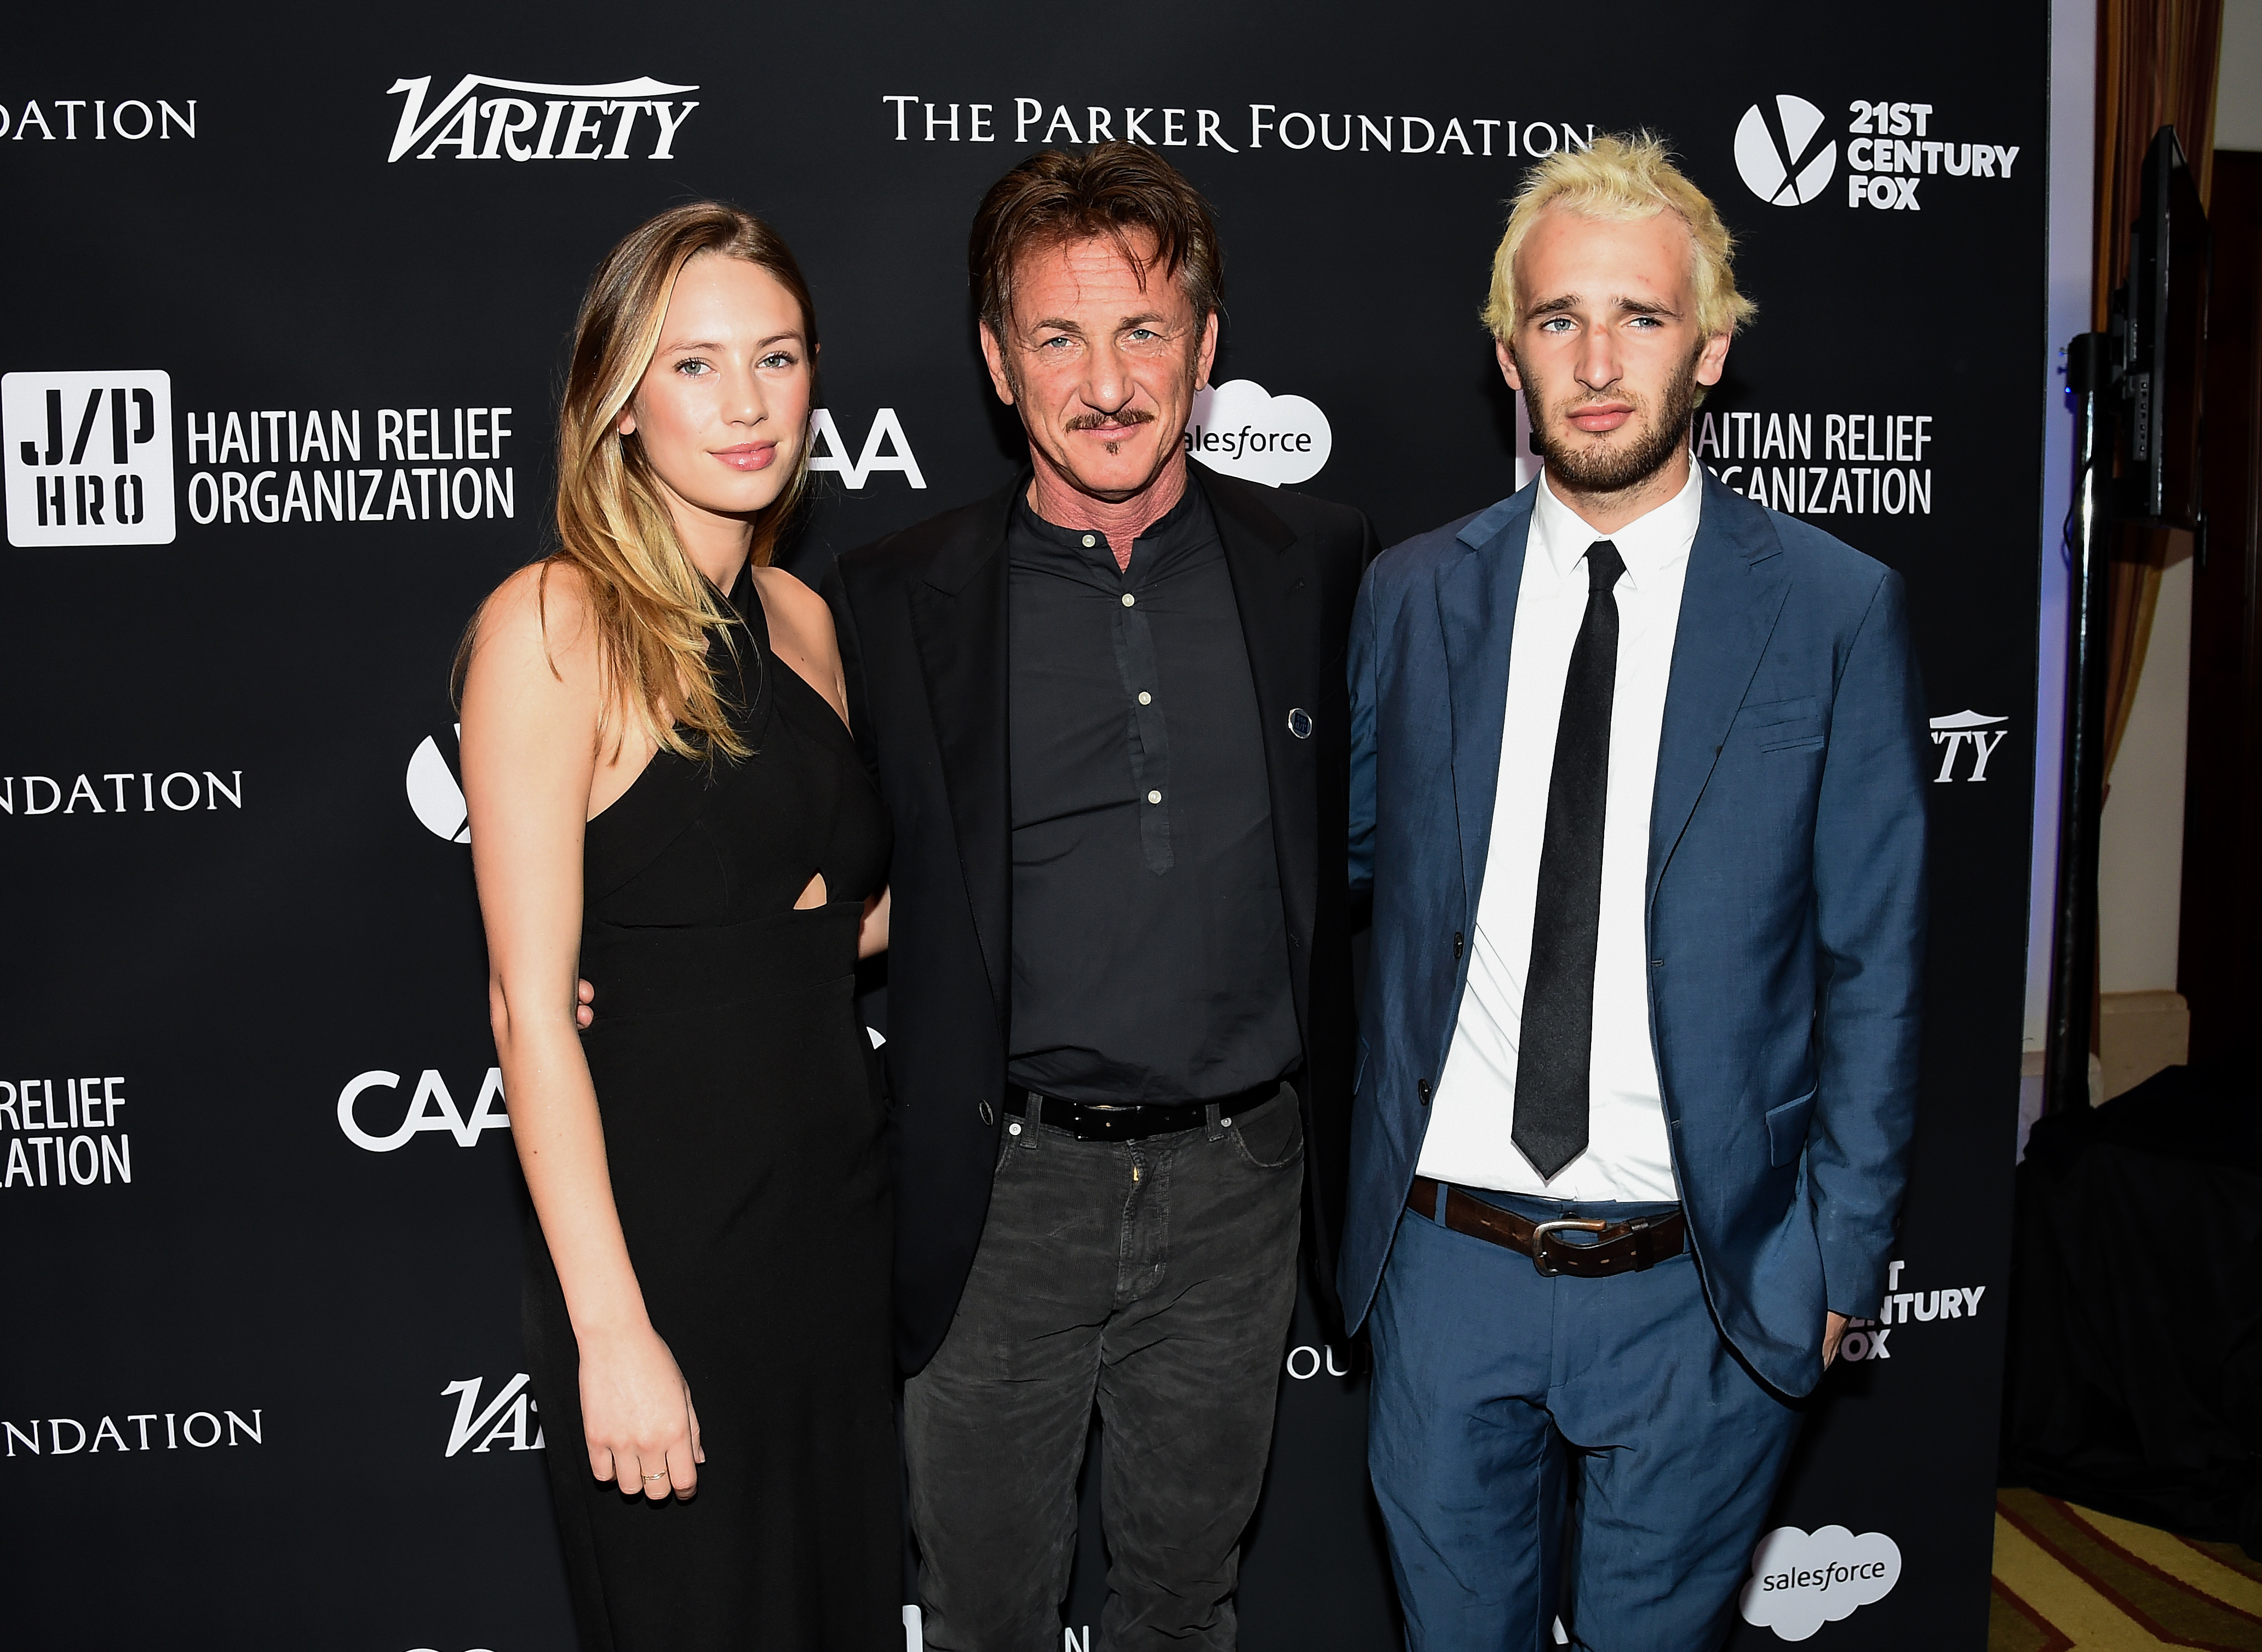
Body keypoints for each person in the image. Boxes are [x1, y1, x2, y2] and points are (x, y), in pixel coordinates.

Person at [1339, 135, 1928, 1650]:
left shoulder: (1832, 607)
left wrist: (1835, 1254)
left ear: (1711, 347)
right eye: (1557, 320)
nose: (1596, 361)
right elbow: (1348, 884)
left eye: (1641, 318)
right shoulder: (1408, 598)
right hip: (1445, 1267)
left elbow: (1873, 956)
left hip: (1705, 1285)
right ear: (1505, 354)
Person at [838, 143, 1376, 1649]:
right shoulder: (893, 597)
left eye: (1143, 331)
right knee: (984, 1611)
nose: (1107, 381)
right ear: (997, 364)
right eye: (1058, 337)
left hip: (1239, 1187)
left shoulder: (1321, 566)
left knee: (1181, 1601)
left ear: (1206, 351)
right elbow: (799, 858)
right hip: (1002, 1195)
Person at [458, 202, 898, 1652]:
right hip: (669, 1253)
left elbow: (840, 918)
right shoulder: (553, 623)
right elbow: (529, 1010)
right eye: (694, 365)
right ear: (621, 402)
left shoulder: (801, 619)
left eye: (775, 358)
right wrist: (613, 1333)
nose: (747, 402)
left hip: (829, 1240)